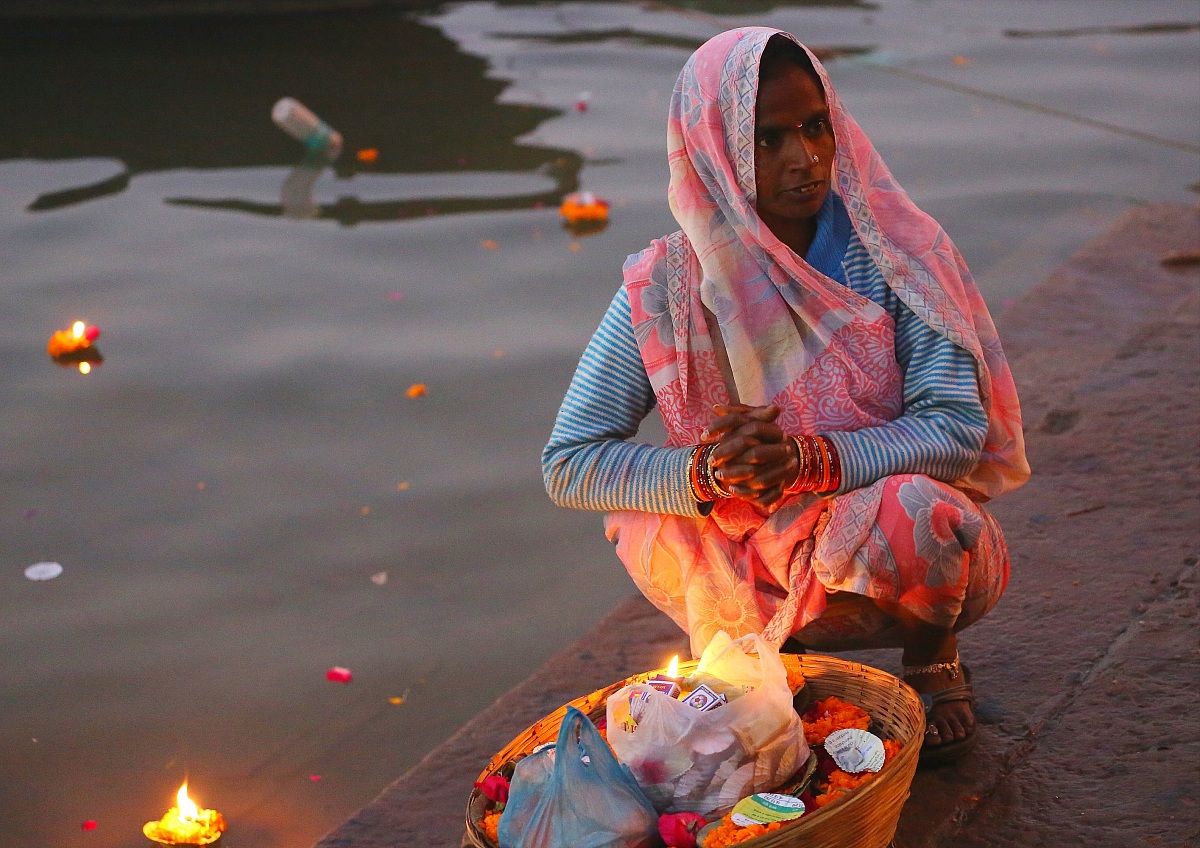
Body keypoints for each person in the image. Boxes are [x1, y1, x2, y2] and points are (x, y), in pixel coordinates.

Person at [542, 27, 1029, 765]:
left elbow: (956, 427)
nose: (802, 158)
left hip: (880, 549)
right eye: (767, 139)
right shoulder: (664, 285)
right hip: (750, 550)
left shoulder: (898, 254)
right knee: (648, 519)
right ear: (712, 150)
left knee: (925, 512)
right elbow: (571, 463)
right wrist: (709, 475)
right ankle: (778, 659)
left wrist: (810, 460)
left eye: (813, 127)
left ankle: (932, 656)